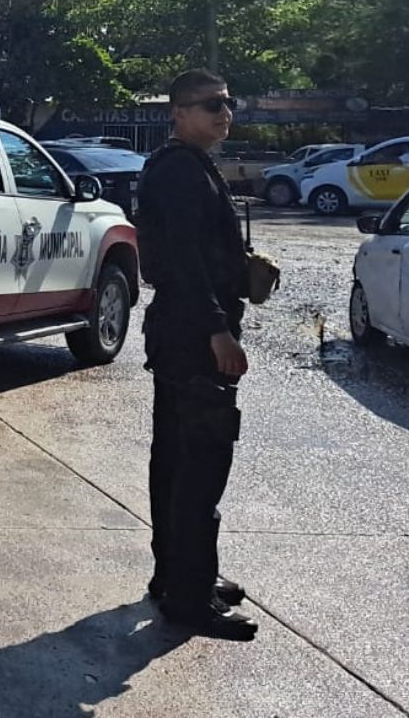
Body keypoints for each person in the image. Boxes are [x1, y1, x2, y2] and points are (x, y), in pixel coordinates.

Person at [136, 69, 259, 641]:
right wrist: (218, 330)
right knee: (201, 467)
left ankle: (178, 576)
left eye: (228, 104)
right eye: (210, 104)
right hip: (193, 338)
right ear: (177, 112)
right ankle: (188, 597)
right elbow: (183, 258)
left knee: (176, 462)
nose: (223, 113)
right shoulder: (181, 171)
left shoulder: (185, 165)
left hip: (181, 334)